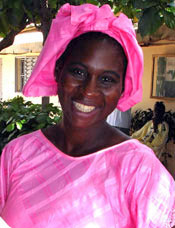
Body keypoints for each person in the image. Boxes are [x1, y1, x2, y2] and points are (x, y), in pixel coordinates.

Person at [0, 3, 175, 228]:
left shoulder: (139, 169)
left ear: (122, 88)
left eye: (107, 79)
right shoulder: (18, 153)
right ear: (58, 71)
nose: (88, 91)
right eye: (79, 72)